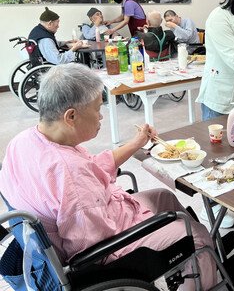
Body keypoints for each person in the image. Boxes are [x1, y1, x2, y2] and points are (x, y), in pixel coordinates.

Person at [0, 64, 218, 291]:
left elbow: (90, 168)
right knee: (197, 235)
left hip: (96, 220)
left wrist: (135, 144)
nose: (101, 115)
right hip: (104, 252)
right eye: (96, 109)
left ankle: (182, 263)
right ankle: (200, 270)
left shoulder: (24, 141)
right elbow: (92, 246)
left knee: (163, 196)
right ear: (71, 116)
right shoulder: (70, 173)